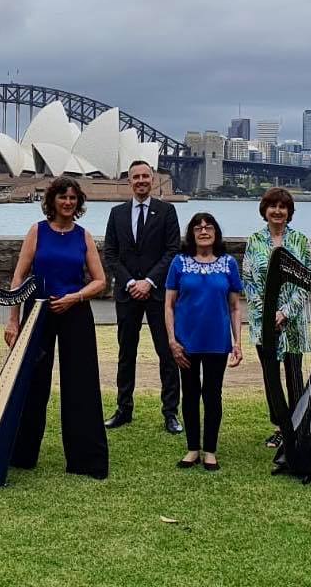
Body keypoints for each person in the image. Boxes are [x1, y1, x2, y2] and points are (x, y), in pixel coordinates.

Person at [4, 177, 109, 479]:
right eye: (62, 197)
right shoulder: (36, 232)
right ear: (52, 201)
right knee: (33, 382)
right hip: (37, 311)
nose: (67, 202)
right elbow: (18, 278)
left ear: (78, 203)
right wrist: (13, 320)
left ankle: (85, 459)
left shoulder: (84, 236)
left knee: (81, 384)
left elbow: (100, 281)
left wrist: (74, 297)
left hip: (74, 311)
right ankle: (22, 454)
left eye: (73, 198)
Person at [102, 160, 183, 434]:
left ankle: (170, 413)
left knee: (167, 353)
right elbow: (111, 253)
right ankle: (124, 409)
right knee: (127, 353)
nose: (140, 181)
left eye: (145, 176)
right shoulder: (117, 214)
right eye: (135, 177)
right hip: (127, 294)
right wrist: (130, 282)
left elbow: (172, 251)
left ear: (153, 179)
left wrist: (148, 282)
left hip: (159, 293)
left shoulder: (167, 211)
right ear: (129, 182)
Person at [165, 213, 243, 471]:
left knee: (212, 395)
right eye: (198, 227)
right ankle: (192, 448)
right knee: (190, 394)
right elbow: (169, 305)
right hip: (186, 340)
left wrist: (237, 342)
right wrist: (172, 341)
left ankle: (210, 449)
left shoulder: (228, 263)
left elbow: (234, 307)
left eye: (208, 227)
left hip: (217, 341)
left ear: (216, 232)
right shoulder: (179, 263)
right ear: (192, 234)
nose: (203, 230)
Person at [241, 187, 311, 449]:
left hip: (292, 321)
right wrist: (268, 311)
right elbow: (248, 281)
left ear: (289, 212)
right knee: (270, 375)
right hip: (264, 321)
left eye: (283, 207)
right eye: (273, 206)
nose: (277, 211)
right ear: (265, 211)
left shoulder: (301, 241)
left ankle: (296, 425)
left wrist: (285, 312)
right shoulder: (254, 241)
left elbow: (306, 282)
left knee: (294, 374)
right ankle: (280, 426)